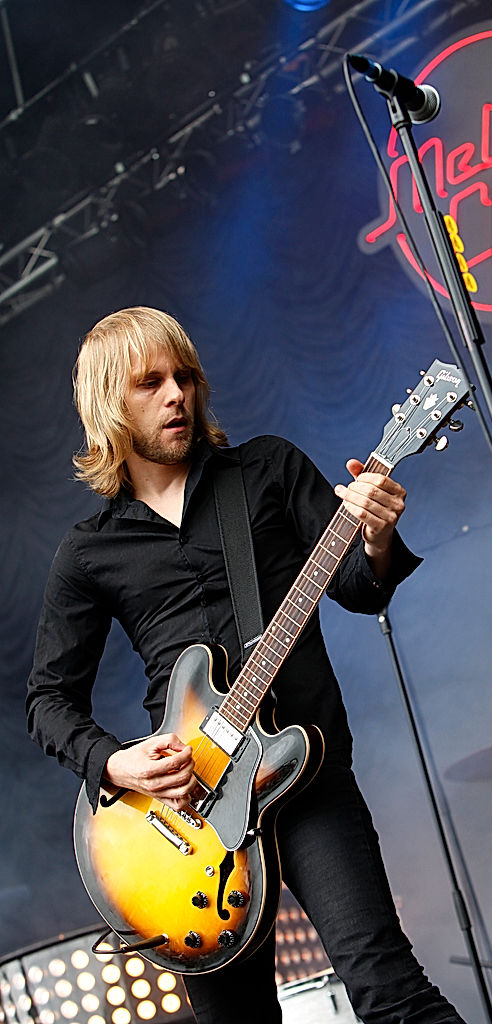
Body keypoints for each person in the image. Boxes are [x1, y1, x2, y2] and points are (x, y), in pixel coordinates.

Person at [27, 306, 467, 1024]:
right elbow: (48, 699)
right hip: (183, 815)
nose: (177, 395)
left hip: (306, 782)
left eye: (185, 376)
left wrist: (377, 537)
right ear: (110, 402)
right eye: (150, 382)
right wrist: (115, 765)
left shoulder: (264, 469)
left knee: (390, 992)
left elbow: (356, 588)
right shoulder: (88, 551)